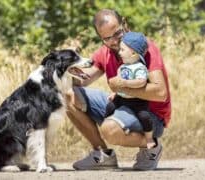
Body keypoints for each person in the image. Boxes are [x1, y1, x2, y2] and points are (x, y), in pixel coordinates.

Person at [65, 9, 171, 171]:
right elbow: (81, 80)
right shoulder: (105, 52)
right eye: (107, 38)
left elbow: (160, 93)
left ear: (124, 24)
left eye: (118, 33)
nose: (115, 41)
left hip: (150, 116)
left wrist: (122, 86)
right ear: (101, 38)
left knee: (109, 129)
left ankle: (152, 145)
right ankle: (103, 155)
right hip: (123, 105)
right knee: (69, 95)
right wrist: (64, 68)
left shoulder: (143, 47)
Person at [104, 31, 156, 150]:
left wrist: (126, 83)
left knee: (144, 117)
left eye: (122, 50)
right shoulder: (122, 66)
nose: (119, 52)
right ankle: (108, 124)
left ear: (133, 53)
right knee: (110, 106)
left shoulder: (139, 67)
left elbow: (141, 82)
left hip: (138, 100)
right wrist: (115, 92)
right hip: (122, 97)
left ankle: (149, 138)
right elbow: (118, 81)